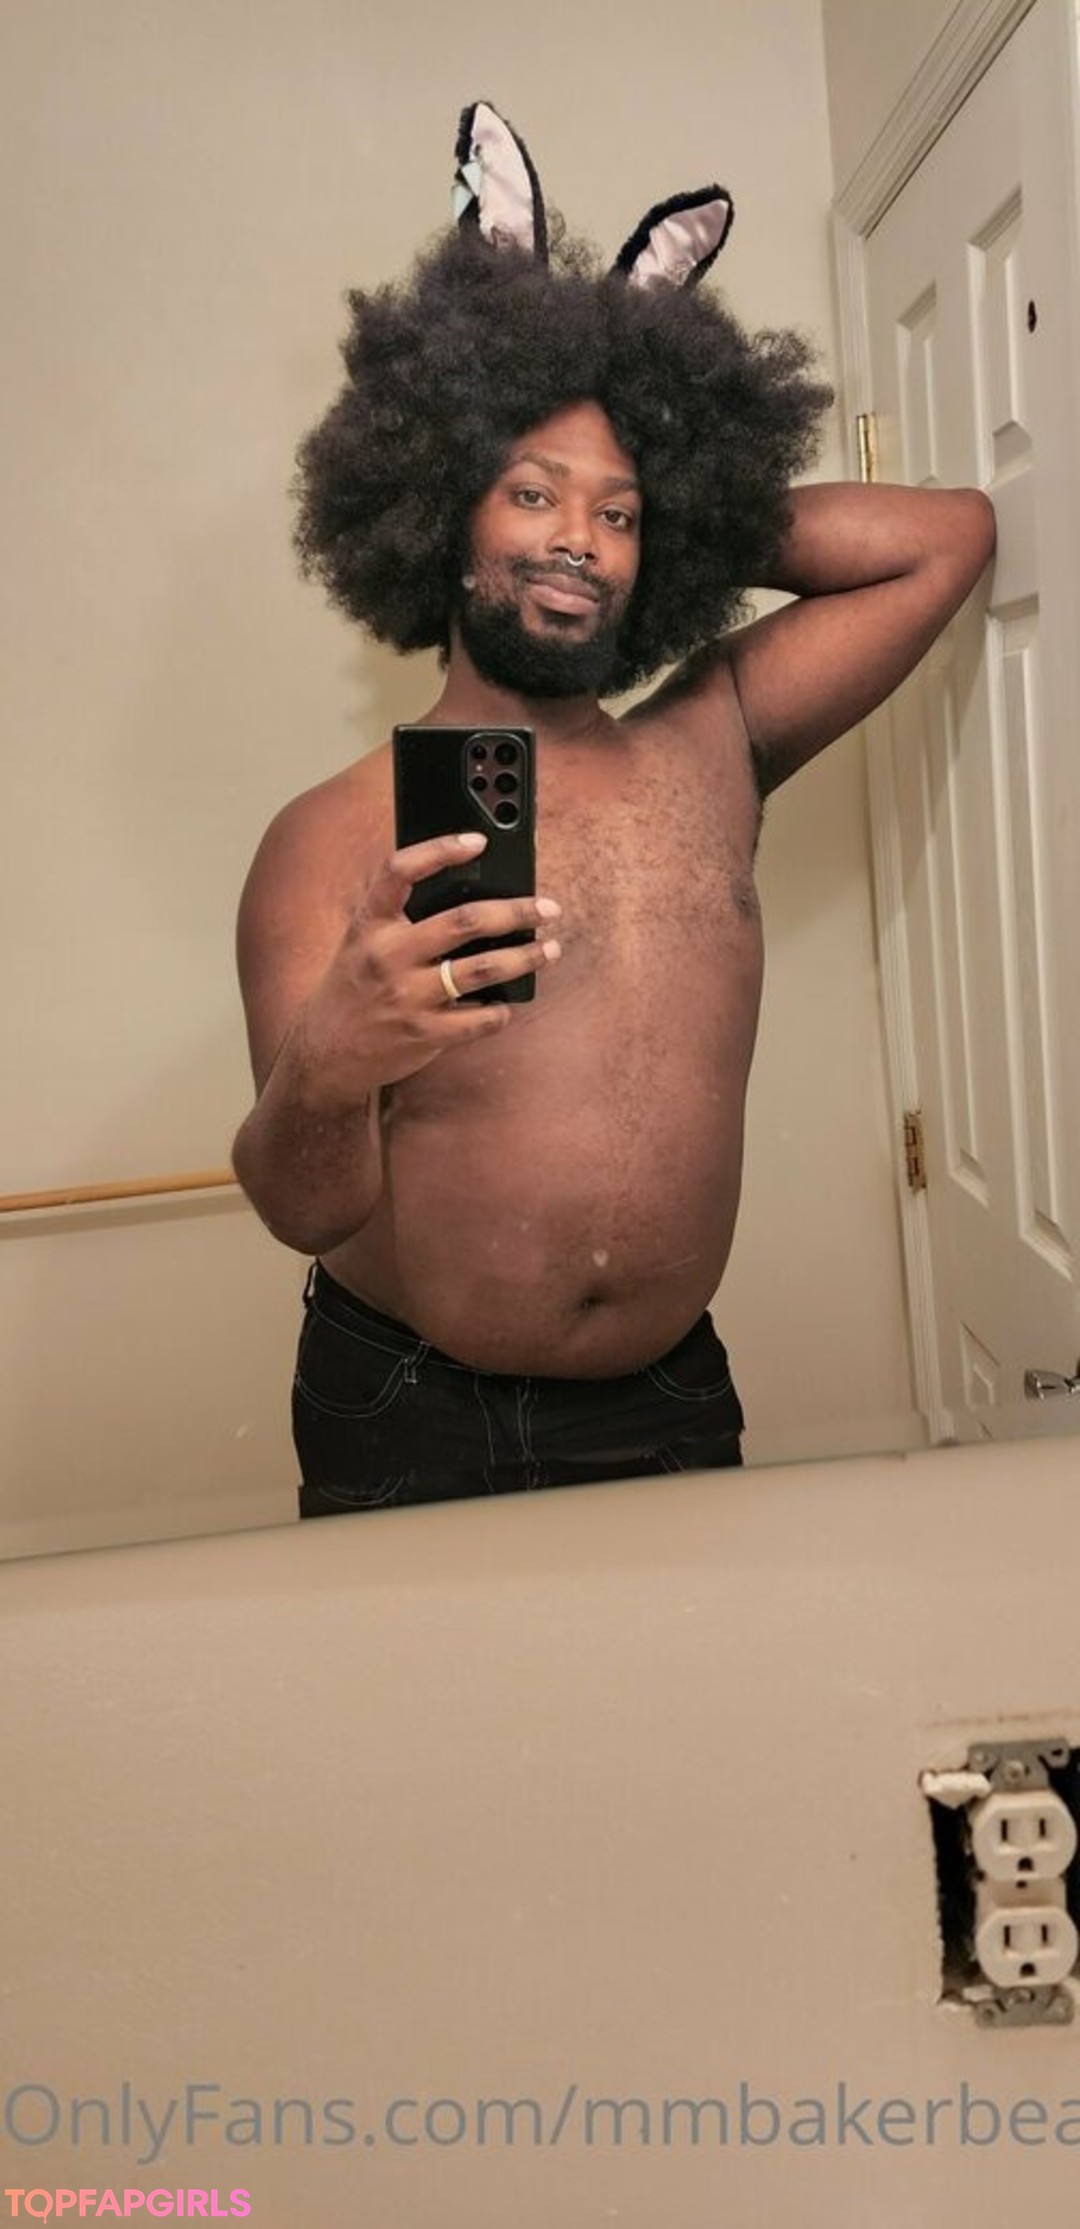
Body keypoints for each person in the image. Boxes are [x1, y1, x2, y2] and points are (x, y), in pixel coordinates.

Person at [231, 103, 996, 1515]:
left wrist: (684, 502)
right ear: (440, 510)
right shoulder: (323, 836)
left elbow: (947, 541)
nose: (580, 537)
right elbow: (301, 1205)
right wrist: (331, 1063)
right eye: (529, 495)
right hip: (408, 1405)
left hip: (671, 1394)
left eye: (619, 513)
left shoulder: (713, 736)